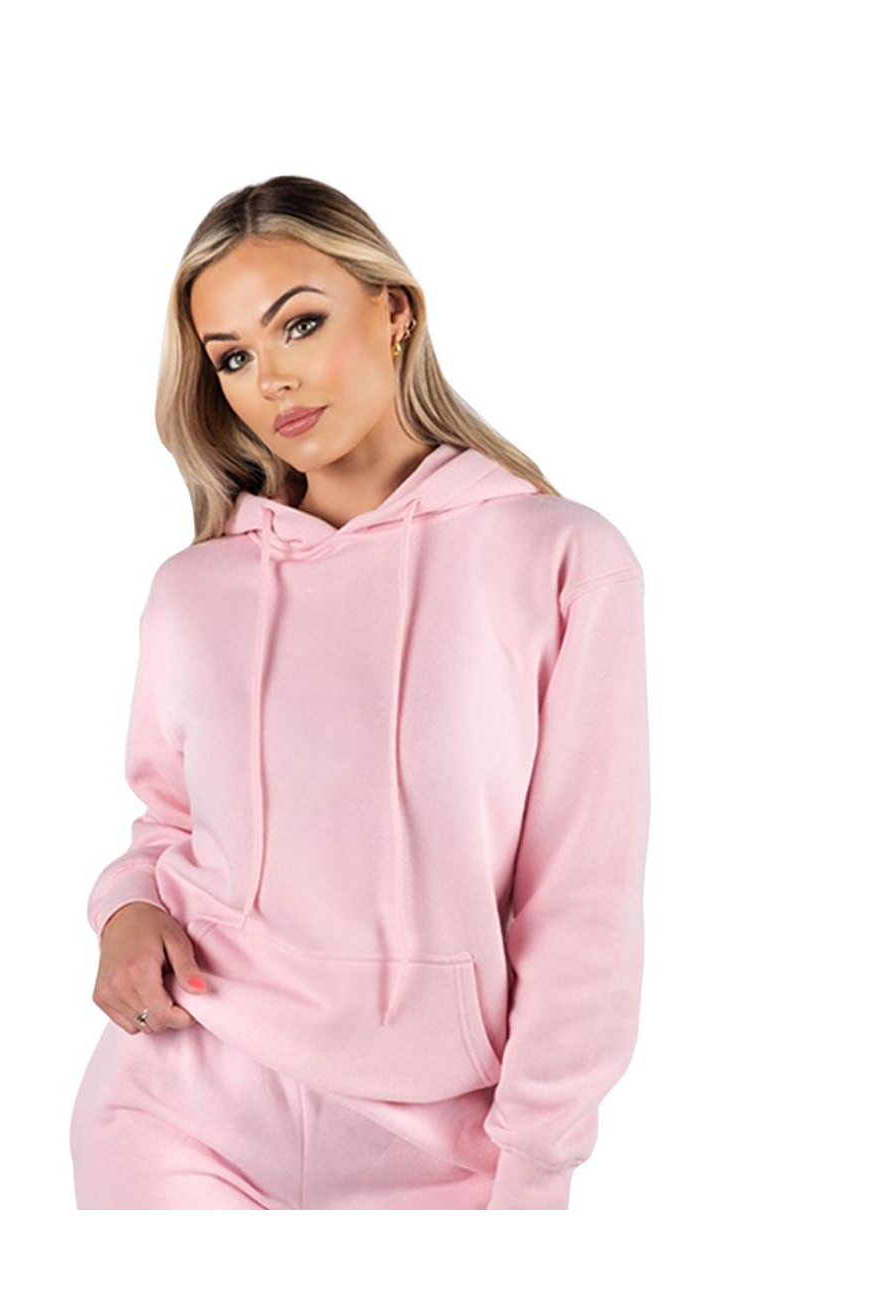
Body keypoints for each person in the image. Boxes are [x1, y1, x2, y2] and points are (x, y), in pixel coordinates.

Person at [69, 175, 651, 1210]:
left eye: (300, 323)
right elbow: (169, 824)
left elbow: (583, 897)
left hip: (445, 1144)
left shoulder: (560, 559)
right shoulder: (195, 590)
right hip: (182, 1104)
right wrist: (125, 911)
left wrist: (537, 1162)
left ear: (395, 312)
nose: (272, 380)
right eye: (232, 356)